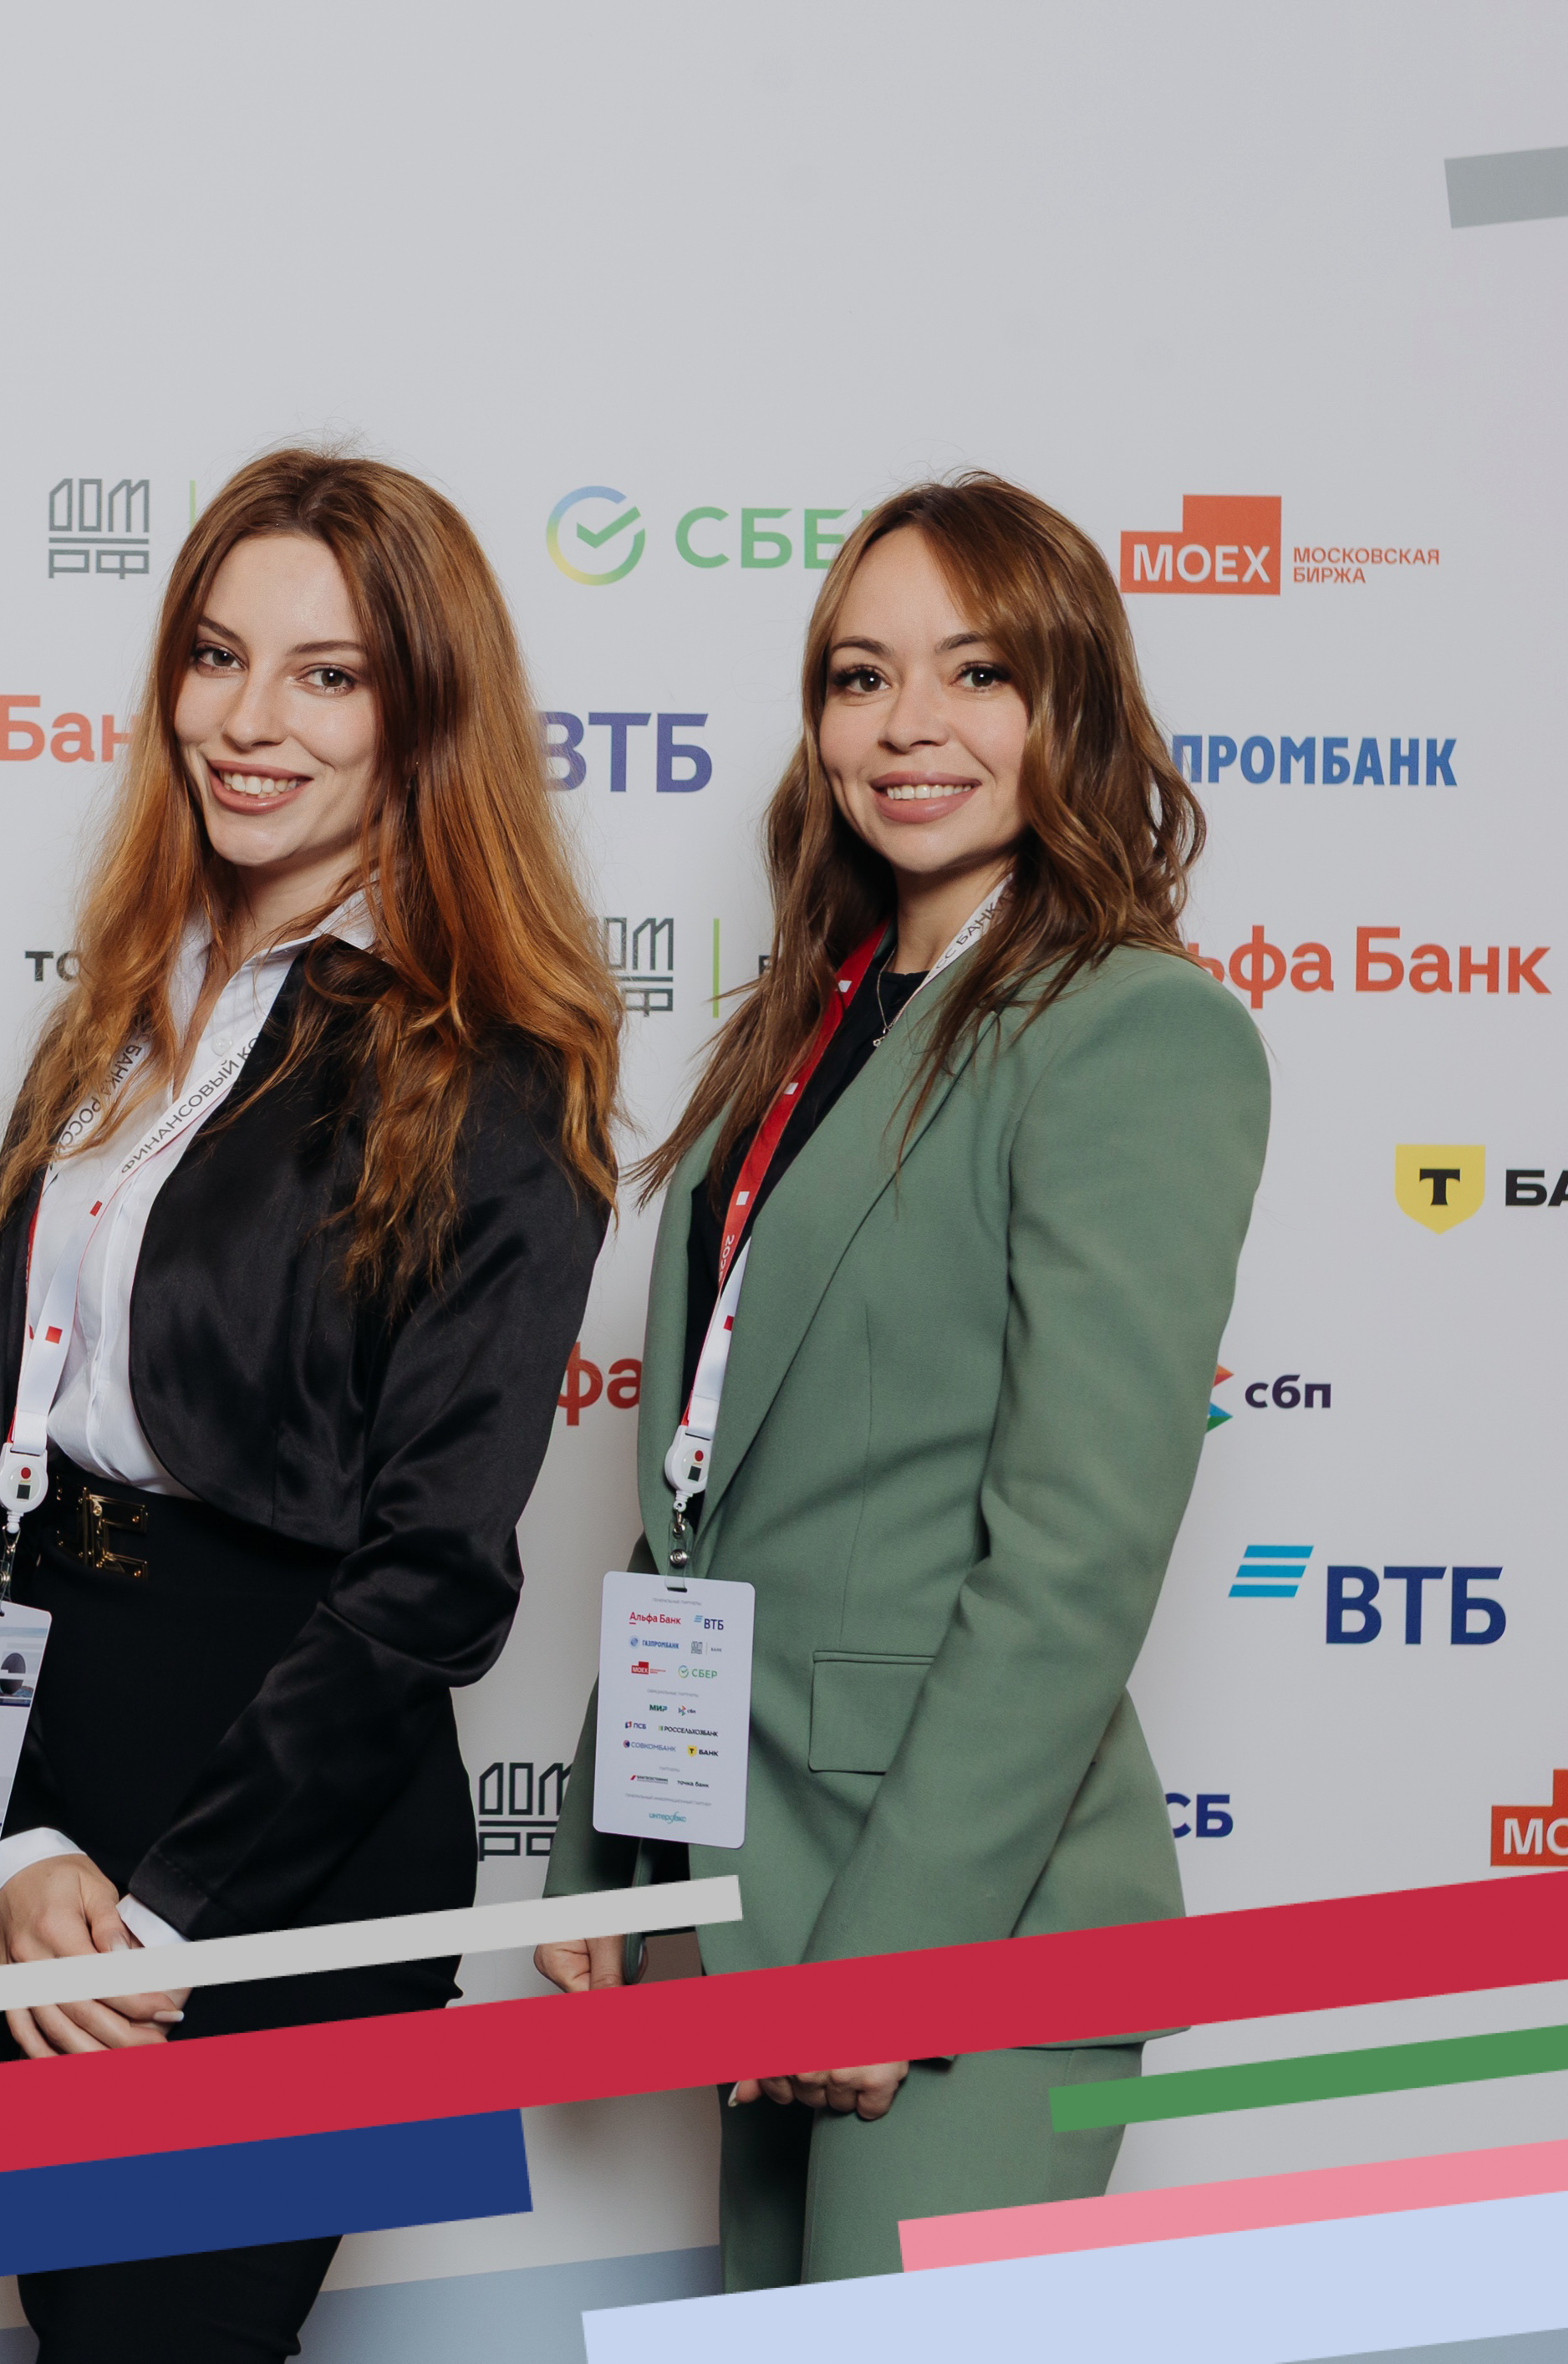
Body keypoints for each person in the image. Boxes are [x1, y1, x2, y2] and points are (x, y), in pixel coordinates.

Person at [0, 449, 619, 2361]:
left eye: (327, 673)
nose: (246, 719)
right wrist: (8, 1841)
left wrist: (169, 1911)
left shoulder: (492, 1069)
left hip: (285, 1819)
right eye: (216, 656)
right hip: (49, 1785)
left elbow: (434, 1573)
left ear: (423, 714)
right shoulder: (117, 1019)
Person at [536, 473, 1270, 2286]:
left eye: (977, 671)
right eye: (860, 677)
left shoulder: (1133, 1030)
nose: (907, 723)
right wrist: (612, 1837)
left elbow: (1075, 1553)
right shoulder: (811, 1025)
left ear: (1069, 701)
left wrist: (901, 1950)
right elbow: (709, 1485)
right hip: (757, 1874)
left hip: (964, 1929)